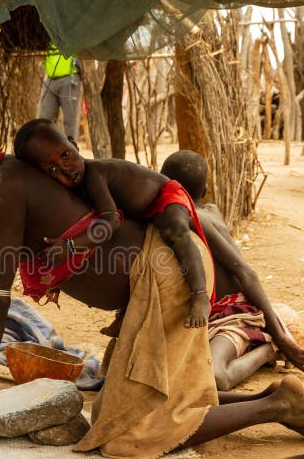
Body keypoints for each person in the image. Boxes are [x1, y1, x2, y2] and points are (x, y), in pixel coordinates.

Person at [0, 90, 304, 459]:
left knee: (128, 434)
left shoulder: (2, 183)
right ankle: (272, 399)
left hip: (165, 276)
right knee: (128, 400)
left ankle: (277, 406)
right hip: (151, 281)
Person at [14, 118, 212, 328]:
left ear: (74, 143)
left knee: (176, 233)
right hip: (138, 211)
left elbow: (112, 220)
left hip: (165, 198)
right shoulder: (75, 184)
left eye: (65, 155)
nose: (65, 169)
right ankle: (126, 311)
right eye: (52, 170)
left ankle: (200, 295)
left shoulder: (93, 175)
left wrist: (71, 246)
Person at [161, 150, 304, 390]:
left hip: (232, 314)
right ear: (205, 190)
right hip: (206, 315)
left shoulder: (194, 220)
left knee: (215, 378)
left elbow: (245, 273)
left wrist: (278, 335)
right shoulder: (204, 211)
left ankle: (268, 350)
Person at [37, 41, 82, 140]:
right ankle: (44, 149)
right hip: (50, 78)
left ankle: (71, 150)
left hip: (70, 77)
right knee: (44, 120)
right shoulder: (48, 32)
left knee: (70, 121)